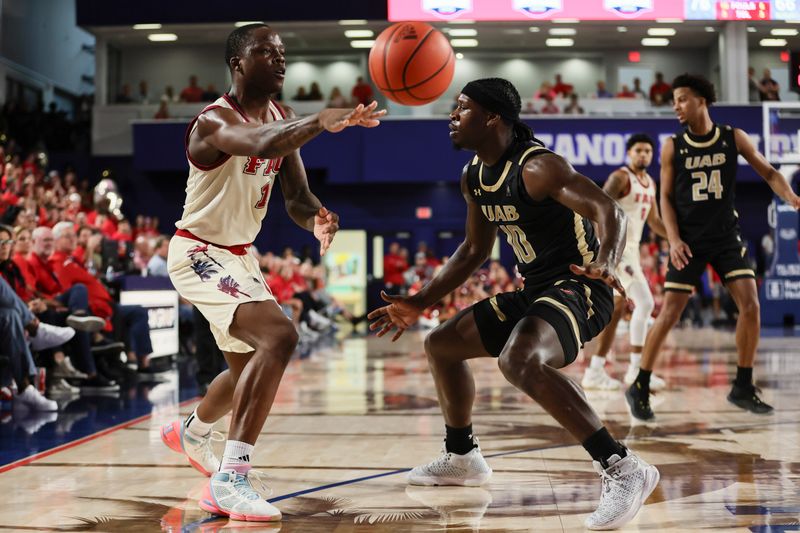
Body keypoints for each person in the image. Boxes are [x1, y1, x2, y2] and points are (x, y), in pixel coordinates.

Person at [368, 77, 658, 530]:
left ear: (492, 117)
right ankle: (462, 454)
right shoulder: (473, 176)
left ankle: (623, 468)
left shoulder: (537, 167)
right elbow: (472, 252)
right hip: (535, 290)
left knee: (518, 361)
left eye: (461, 108)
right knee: (442, 344)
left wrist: (605, 262)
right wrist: (419, 302)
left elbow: (610, 211)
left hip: (580, 287)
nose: (452, 116)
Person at [158, 23, 384, 522]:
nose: (279, 60)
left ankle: (192, 430)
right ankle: (229, 480)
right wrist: (323, 119)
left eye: (282, 53)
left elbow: (297, 197)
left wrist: (318, 219)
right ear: (238, 63)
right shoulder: (214, 122)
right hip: (198, 250)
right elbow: (261, 141)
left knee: (246, 376)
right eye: (266, 52)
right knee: (280, 337)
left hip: (239, 255)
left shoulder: (280, 115)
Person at [626, 74, 800, 421]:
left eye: (682, 99)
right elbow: (665, 198)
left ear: (702, 100)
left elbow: (768, 172)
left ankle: (743, 385)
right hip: (689, 240)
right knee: (671, 312)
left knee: (750, 305)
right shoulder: (673, 145)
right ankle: (640, 384)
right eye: (674, 100)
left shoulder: (733, 137)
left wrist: (793, 197)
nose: (676, 105)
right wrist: (673, 239)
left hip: (726, 237)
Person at [581, 134, 668, 391]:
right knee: (642, 303)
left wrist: (676, 238)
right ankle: (632, 370)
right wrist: (603, 247)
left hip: (632, 252)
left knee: (621, 309)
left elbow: (654, 222)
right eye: (639, 150)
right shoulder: (620, 177)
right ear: (629, 153)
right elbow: (599, 206)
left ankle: (600, 370)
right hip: (617, 250)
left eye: (648, 151)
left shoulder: (650, 183)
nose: (643, 155)